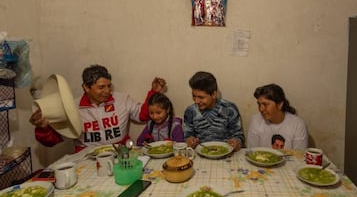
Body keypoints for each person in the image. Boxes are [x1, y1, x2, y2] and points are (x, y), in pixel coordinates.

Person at [30, 64, 166, 151]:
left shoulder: (122, 99)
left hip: (121, 154)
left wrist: (154, 92)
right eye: (101, 87)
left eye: (109, 86)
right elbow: (52, 140)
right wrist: (43, 127)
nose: (107, 91)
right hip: (87, 160)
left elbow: (143, 115)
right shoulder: (72, 108)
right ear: (86, 87)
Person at [183, 71, 244, 151]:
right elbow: (188, 135)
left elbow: (239, 136)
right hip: (200, 154)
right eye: (194, 96)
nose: (196, 101)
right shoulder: (190, 111)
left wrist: (236, 142)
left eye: (201, 97)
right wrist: (190, 141)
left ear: (214, 95)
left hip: (226, 154)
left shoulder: (229, 108)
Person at [247, 84, 308, 150]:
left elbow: (299, 156)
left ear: (279, 104)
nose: (261, 109)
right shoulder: (256, 120)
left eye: (265, 104)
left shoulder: (298, 125)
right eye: (259, 104)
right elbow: (251, 152)